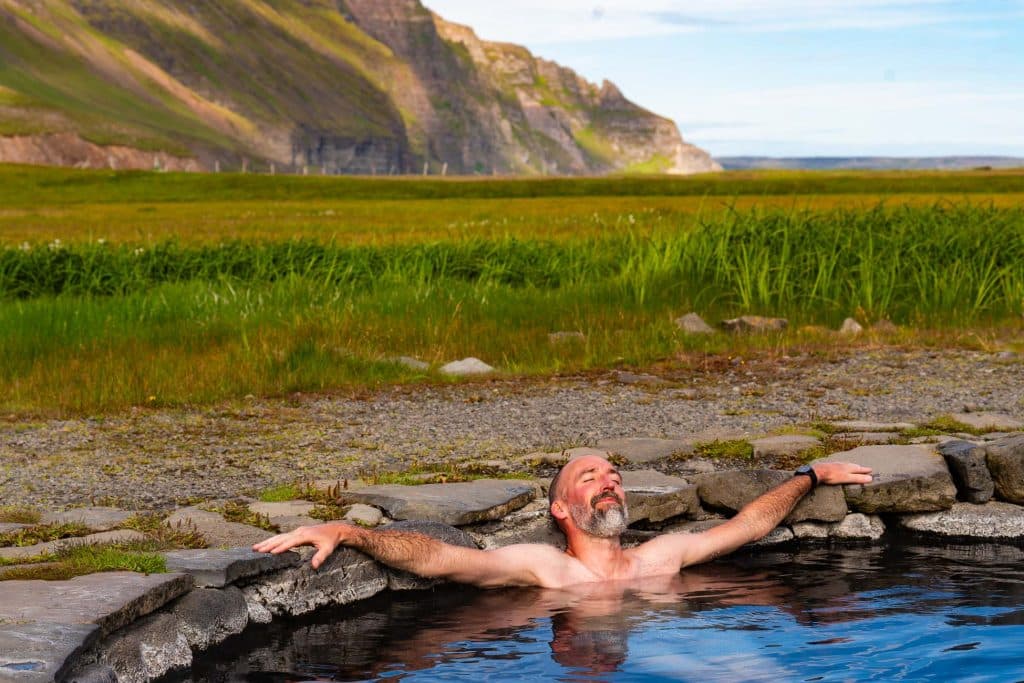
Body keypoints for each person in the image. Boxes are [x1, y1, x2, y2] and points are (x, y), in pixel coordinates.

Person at [253, 455, 872, 589]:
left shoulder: (663, 556)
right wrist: (347, 531)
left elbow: (748, 527)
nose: (609, 481)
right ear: (560, 509)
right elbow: (440, 556)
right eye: (590, 478)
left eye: (614, 477)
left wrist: (811, 475)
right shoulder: (547, 568)